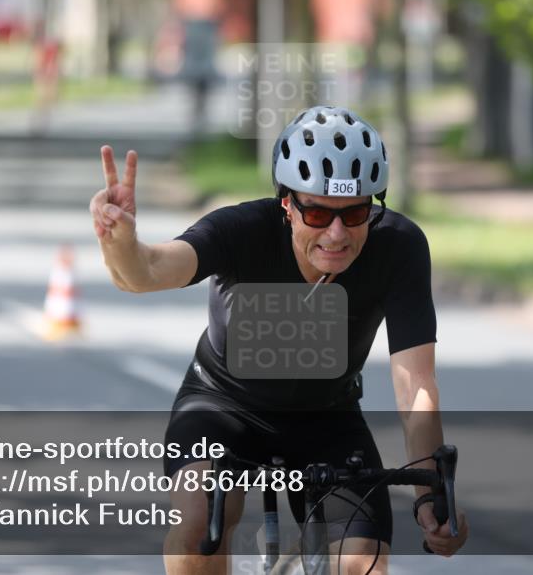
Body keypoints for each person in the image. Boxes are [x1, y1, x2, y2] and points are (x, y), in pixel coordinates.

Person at [90, 106, 468, 574]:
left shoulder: (399, 246)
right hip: (222, 406)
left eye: (354, 213)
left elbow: (416, 386)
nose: (336, 233)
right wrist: (120, 242)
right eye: (316, 212)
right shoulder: (241, 231)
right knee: (200, 522)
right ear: (287, 205)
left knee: (362, 563)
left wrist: (430, 492)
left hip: (328, 418)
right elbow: (146, 272)